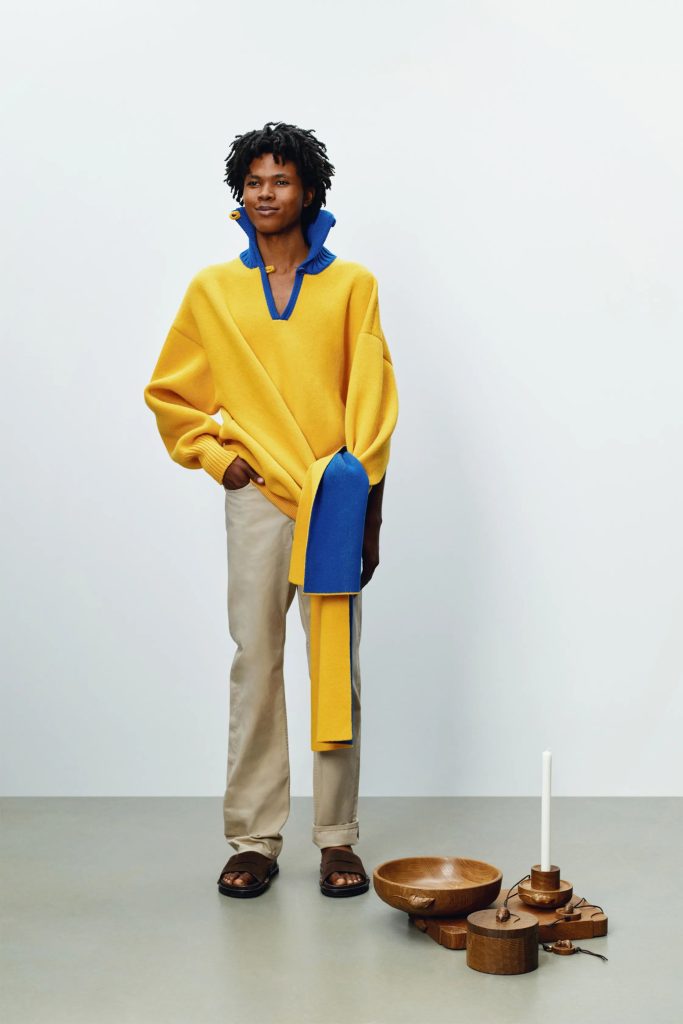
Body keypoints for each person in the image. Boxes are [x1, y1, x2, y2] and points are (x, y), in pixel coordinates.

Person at [143, 121, 399, 899]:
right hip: (258, 498)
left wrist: (369, 513)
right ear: (240, 193)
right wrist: (216, 459)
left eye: (280, 180)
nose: (264, 193)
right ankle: (253, 838)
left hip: (333, 498)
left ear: (308, 191)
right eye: (253, 182)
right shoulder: (212, 291)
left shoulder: (351, 286)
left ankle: (336, 837)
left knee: (334, 668)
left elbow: (372, 404)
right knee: (254, 662)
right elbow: (171, 394)